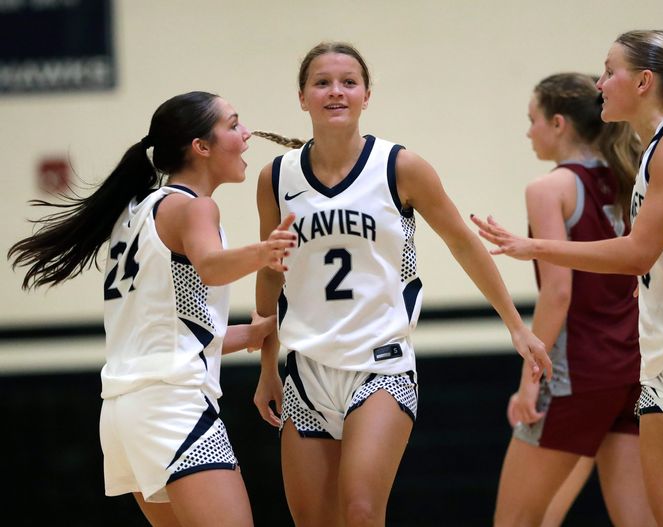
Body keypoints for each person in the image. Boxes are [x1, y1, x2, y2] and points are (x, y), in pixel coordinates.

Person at [472, 30, 663, 526]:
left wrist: (534, 246)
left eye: (609, 70)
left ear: (643, 81)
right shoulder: (648, 153)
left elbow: (636, 255)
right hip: (658, 359)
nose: (600, 83)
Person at [251, 42, 552, 527]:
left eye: (348, 82)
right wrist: (269, 366)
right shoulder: (276, 177)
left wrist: (516, 325)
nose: (336, 92)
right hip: (305, 368)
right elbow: (270, 270)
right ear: (302, 96)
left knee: (362, 511)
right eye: (322, 82)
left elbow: (463, 243)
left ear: (367, 95)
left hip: (380, 364)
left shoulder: (399, 166)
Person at [7, 91, 296, 527]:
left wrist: (261, 330)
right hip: (171, 406)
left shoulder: (136, 212)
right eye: (234, 124)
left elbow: (176, 330)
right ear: (201, 146)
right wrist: (265, 252)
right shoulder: (195, 207)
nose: (247, 133)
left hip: (124, 413)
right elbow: (212, 267)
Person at [493, 72, 654, 527]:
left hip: (575, 372)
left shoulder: (549, 188)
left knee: (514, 521)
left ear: (559, 123)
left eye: (533, 120)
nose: (529, 132)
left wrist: (530, 381)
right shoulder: (630, 176)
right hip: (633, 369)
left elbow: (558, 292)